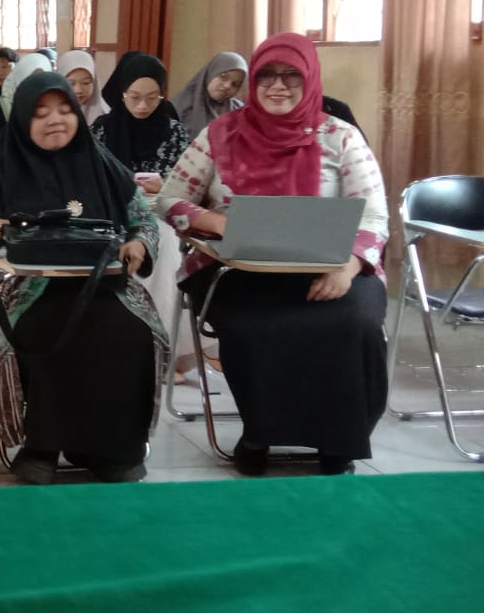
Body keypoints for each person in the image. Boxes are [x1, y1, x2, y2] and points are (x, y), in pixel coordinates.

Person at [158, 33, 388, 476]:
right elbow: (170, 199)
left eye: (291, 76)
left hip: (331, 266)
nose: (277, 85)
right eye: (267, 75)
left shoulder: (340, 137)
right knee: (254, 323)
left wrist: (349, 267)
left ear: (310, 79)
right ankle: (260, 432)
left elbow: (374, 214)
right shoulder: (220, 134)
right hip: (237, 268)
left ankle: (337, 440)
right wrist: (220, 223)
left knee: (353, 320)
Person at [0, 72, 167, 484]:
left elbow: (144, 220)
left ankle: (111, 448)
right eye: (41, 113)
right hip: (28, 286)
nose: (56, 120)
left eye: (65, 110)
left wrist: (140, 244)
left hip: (103, 284)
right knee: (43, 329)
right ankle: (41, 446)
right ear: (22, 117)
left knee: (132, 332)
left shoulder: (102, 161)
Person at [90, 52, 192, 191]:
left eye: (152, 97)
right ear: (123, 94)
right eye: (134, 97)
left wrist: (165, 189)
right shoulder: (101, 130)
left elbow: (190, 184)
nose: (143, 106)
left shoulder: (176, 134)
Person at [172, 52, 247, 136]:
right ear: (211, 72)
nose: (227, 86)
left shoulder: (239, 110)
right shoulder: (178, 105)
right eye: (223, 77)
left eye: (235, 84)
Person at [57, 49, 109, 126]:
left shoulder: (105, 116)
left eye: (86, 83)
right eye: (70, 83)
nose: (78, 90)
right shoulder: (51, 115)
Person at [0, 52, 54, 120]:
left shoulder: (54, 101)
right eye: (32, 78)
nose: (38, 85)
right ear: (21, 77)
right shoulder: (4, 105)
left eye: (42, 78)